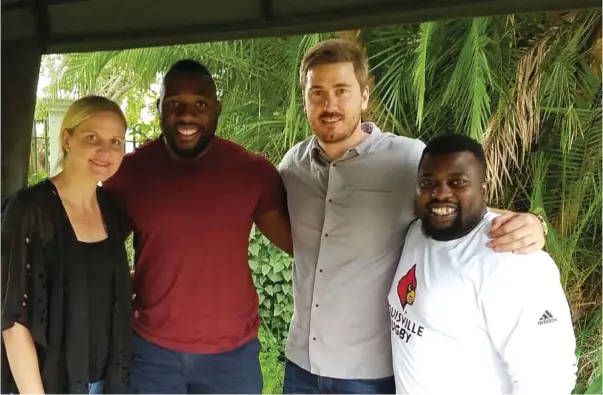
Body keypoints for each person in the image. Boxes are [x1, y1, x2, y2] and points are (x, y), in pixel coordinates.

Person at [277, 39, 549, 394]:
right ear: (305, 100)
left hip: (369, 372)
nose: (329, 105)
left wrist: (534, 223)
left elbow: (454, 207)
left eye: (341, 90)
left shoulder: (405, 159)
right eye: (317, 93)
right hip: (301, 366)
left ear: (364, 96)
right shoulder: (292, 167)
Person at [102, 60, 292, 394]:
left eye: (200, 105)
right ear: (159, 107)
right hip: (151, 353)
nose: (187, 115)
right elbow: (94, 248)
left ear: (217, 109)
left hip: (231, 358)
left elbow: (300, 244)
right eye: (174, 103)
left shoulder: (251, 172)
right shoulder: (129, 174)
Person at [388, 133, 577, 393]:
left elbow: (549, 380)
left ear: (484, 190)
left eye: (458, 182)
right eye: (428, 182)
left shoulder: (514, 261)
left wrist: (536, 223)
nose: (441, 193)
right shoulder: (418, 233)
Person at [1, 95, 133, 394]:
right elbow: (13, 319)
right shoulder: (29, 210)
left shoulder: (111, 210)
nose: (105, 150)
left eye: (116, 141)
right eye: (92, 137)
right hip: (49, 384)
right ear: (66, 139)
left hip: (109, 381)